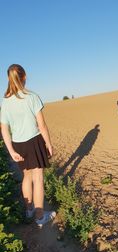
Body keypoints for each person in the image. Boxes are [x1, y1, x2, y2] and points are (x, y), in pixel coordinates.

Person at [0, 64, 56, 227]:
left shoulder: (5, 102)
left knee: (27, 176)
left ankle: (29, 209)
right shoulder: (31, 97)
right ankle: (40, 217)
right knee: (38, 178)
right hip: (33, 142)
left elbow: (4, 128)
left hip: (18, 145)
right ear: (23, 77)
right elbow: (42, 125)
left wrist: (10, 151)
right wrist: (49, 144)